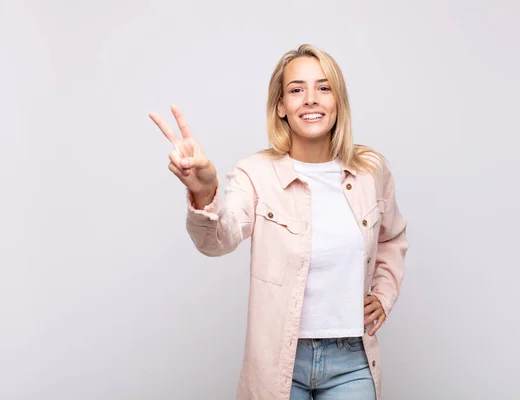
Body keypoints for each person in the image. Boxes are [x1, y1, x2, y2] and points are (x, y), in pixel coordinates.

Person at [149, 44, 408, 400]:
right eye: (296, 89)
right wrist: (206, 191)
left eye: (324, 87)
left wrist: (383, 293)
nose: (311, 100)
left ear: (338, 101)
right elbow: (217, 240)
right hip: (278, 363)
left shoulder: (370, 172)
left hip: (351, 359)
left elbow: (392, 238)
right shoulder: (255, 173)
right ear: (281, 107)